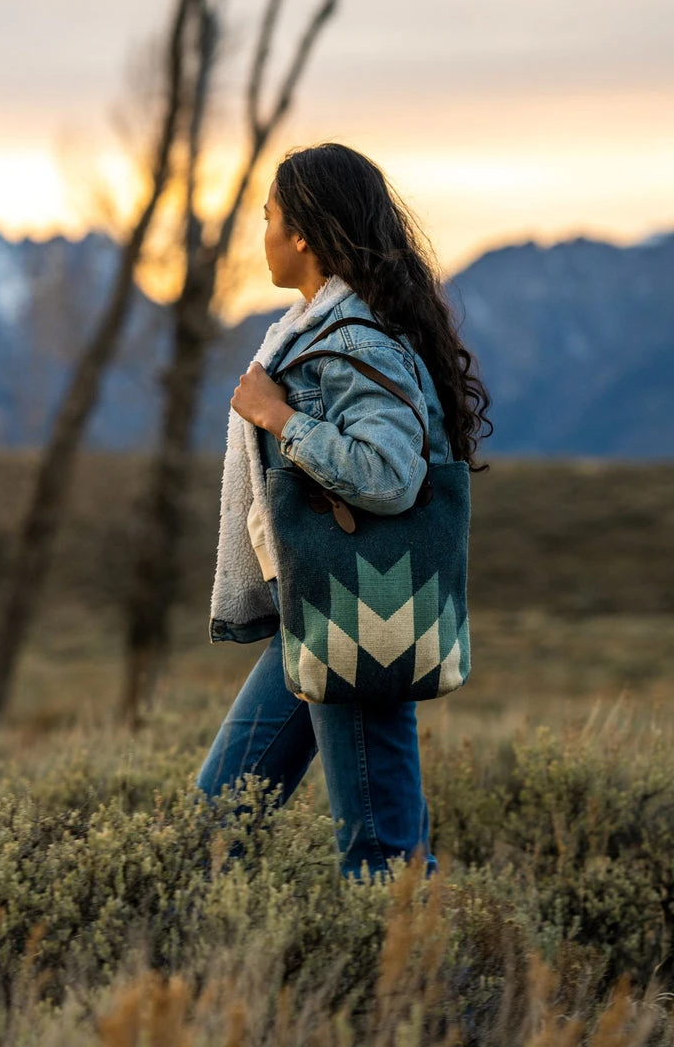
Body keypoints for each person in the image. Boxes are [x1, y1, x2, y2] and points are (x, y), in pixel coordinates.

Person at [199, 143, 491, 882]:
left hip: (361, 605)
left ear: (301, 234)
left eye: (269, 217)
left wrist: (278, 417)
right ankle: (184, 949)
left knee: (380, 854)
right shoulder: (317, 329)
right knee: (217, 820)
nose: (263, 233)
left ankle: (412, 959)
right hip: (318, 605)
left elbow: (389, 476)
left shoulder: (353, 339)